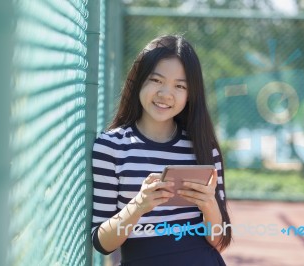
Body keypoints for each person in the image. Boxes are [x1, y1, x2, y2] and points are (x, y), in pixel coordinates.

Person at [91, 35, 232, 266]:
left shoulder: (204, 148)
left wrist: (208, 204)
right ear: (138, 81)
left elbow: (217, 239)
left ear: (190, 94)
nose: (166, 94)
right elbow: (102, 243)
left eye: (179, 86)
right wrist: (139, 205)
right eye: (156, 80)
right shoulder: (111, 147)